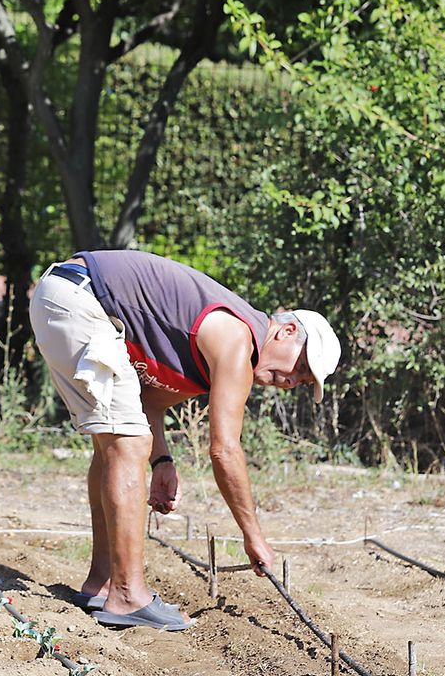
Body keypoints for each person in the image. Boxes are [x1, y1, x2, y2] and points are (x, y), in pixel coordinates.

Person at [28, 249, 340, 632]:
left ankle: (101, 583)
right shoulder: (239, 339)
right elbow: (224, 449)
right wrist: (253, 536)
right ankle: (128, 595)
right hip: (81, 299)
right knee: (126, 444)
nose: (292, 381)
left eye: (303, 382)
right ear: (288, 331)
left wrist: (162, 462)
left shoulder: (216, 350)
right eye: (302, 366)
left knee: (116, 442)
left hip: (64, 293)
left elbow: (149, 403)